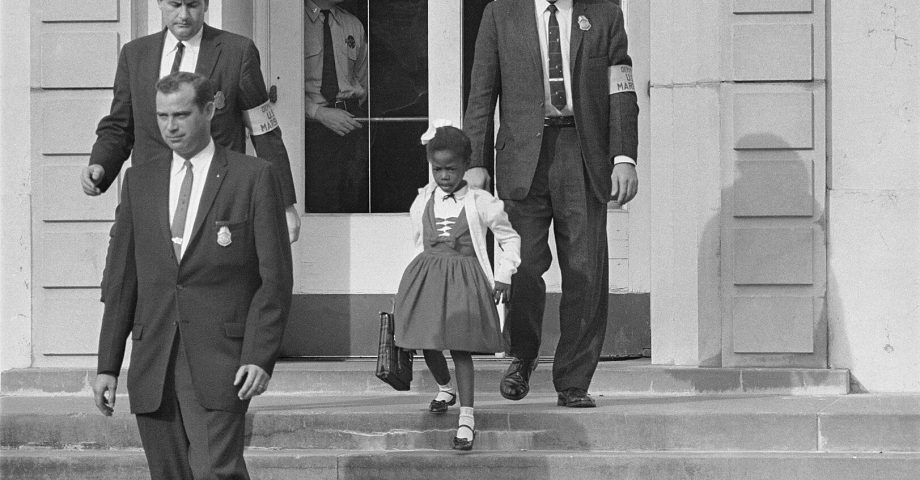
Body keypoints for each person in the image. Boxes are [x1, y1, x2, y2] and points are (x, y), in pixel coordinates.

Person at [92, 72, 293, 479]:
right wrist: (108, 364)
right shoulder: (139, 181)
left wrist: (259, 355)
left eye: (182, 114)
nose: (171, 126)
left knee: (217, 472)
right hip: (154, 360)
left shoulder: (252, 177)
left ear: (209, 109)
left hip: (223, 360)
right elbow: (123, 280)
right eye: (162, 116)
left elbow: (274, 279)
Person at [463, 0, 640, 408]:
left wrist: (624, 157)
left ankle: (573, 380)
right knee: (522, 265)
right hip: (522, 158)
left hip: (583, 153)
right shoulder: (499, 14)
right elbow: (481, 92)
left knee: (585, 270)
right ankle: (522, 355)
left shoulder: (606, 14)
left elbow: (622, 92)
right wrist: (474, 162)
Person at [82, 0, 301, 243]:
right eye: (175, 5)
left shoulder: (237, 53)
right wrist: (101, 164)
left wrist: (285, 203)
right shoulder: (135, 55)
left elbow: (264, 131)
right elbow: (120, 127)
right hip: (148, 203)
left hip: (216, 206)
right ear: (159, 3)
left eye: (193, 5)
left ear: (207, 4)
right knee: (120, 281)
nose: (184, 15)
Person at [394, 122, 521, 451]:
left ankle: (466, 417)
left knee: (460, 348)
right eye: (437, 169)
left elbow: (509, 238)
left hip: (464, 281)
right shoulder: (423, 200)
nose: (444, 176)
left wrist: (505, 274)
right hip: (429, 278)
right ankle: (445, 387)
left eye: (451, 169)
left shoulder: (480, 202)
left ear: (466, 166)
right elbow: (418, 241)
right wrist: (409, 286)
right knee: (427, 342)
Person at [303, 0, 369, 213]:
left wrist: (351, 111)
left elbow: (362, 79)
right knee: (319, 202)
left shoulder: (353, 25)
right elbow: (282, 86)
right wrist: (318, 113)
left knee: (355, 199)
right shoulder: (294, 22)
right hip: (311, 128)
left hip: (350, 123)